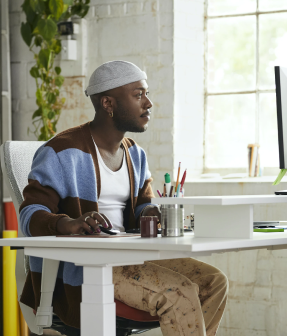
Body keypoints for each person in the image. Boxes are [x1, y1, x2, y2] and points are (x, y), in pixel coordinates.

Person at [19, 61, 228, 336]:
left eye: (147, 93)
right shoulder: (62, 151)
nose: (149, 103)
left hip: (131, 257)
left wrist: (151, 213)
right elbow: (29, 214)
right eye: (139, 94)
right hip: (88, 267)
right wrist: (67, 223)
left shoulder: (135, 154)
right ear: (108, 103)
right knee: (178, 293)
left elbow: (142, 205)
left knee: (214, 281)